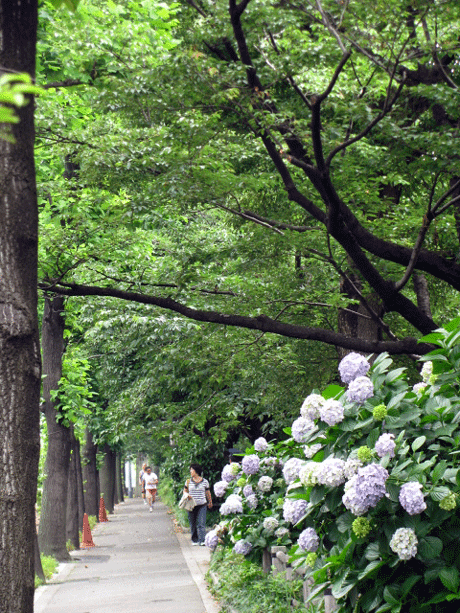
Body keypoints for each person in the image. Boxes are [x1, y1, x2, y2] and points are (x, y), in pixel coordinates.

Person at [183, 463, 212, 546]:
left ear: (196, 471)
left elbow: (207, 492)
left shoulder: (205, 481)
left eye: (191, 470)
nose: (190, 471)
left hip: (202, 504)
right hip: (191, 505)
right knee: (192, 523)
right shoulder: (188, 481)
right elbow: (184, 490)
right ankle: (194, 539)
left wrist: (210, 502)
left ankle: (202, 540)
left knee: (201, 523)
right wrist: (186, 495)